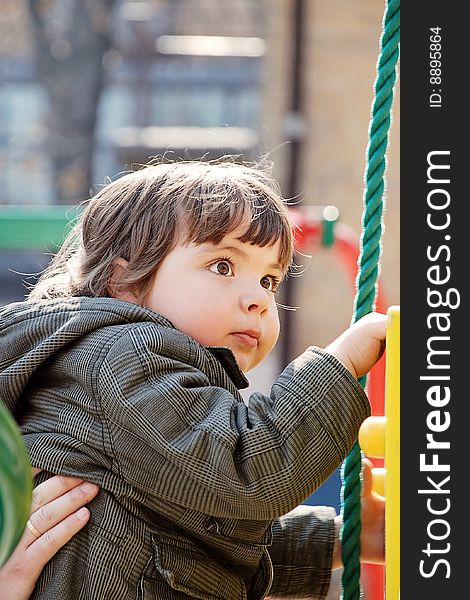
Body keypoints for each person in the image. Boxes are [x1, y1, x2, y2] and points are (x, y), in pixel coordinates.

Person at [0, 160, 386, 599]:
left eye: (269, 280)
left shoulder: (133, 388)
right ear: (123, 280)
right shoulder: (124, 354)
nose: (258, 298)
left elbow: (192, 528)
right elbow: (248, 472)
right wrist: (338, 367)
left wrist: (337, 541)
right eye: (223, 266)